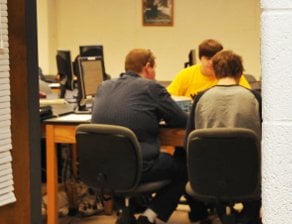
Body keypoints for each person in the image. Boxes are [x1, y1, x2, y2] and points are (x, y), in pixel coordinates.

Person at [91, 48, 188, 224]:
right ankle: (150, 216)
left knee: (135, 158)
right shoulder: (151, 87)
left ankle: (126, 210)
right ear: (148, 66)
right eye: (154, 68)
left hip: (102, 169)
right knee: (185, 165)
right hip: (139, 167)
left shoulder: (103, 86)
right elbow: (181, 119)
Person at [185, 50, 262, 224]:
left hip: (208, 179)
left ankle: (221, 214)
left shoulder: (200, 99)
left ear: (214, 72)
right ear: (240, 72)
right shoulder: (255, 98)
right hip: (250, 179)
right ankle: (248, 217)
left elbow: (188, 143)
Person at [167, 39, 251, 98]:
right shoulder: (186, 74)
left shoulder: (230, 73)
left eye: (214, 59)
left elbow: (248, 96)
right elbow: (169, 97)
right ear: (200, 58)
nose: (211, 62)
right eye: (208, 58)